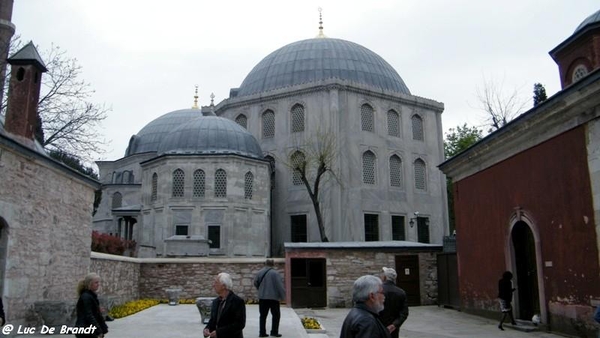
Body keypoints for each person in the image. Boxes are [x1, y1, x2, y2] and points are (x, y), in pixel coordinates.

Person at [204, 272, 246, 338]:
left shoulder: (237, 301)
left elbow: (239, 324)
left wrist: (219, 332)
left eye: (216, 282)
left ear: (223, 286)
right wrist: (207, 328)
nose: (213, 285)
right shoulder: (215, 302)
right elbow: (213, 321)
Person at [253, 259, 286, 337]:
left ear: (265, 264)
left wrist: (260, 289)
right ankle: (274, 332)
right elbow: (279, 286)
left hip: (262, 297)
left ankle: (262, 332)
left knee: (263, 316)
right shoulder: (275, 273)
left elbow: (255, 282)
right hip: (273, 298)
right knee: (276, 315)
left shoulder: (260, 272)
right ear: (273, 264)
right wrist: (283, 296)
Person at [75, 273, 108, 338]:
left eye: (98, 282)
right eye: (96, 283)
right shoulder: (86, 297)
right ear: (90, 284)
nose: (98, 284)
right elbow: (89, 315)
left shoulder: (90, 296)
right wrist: (98, 331)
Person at [379, 267, 408, 338]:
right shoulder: (401, 292)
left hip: (379, 325)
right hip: (394, 327)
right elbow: (404, 313)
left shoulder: (378, 291)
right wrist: (394, 325)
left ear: (384, 277)